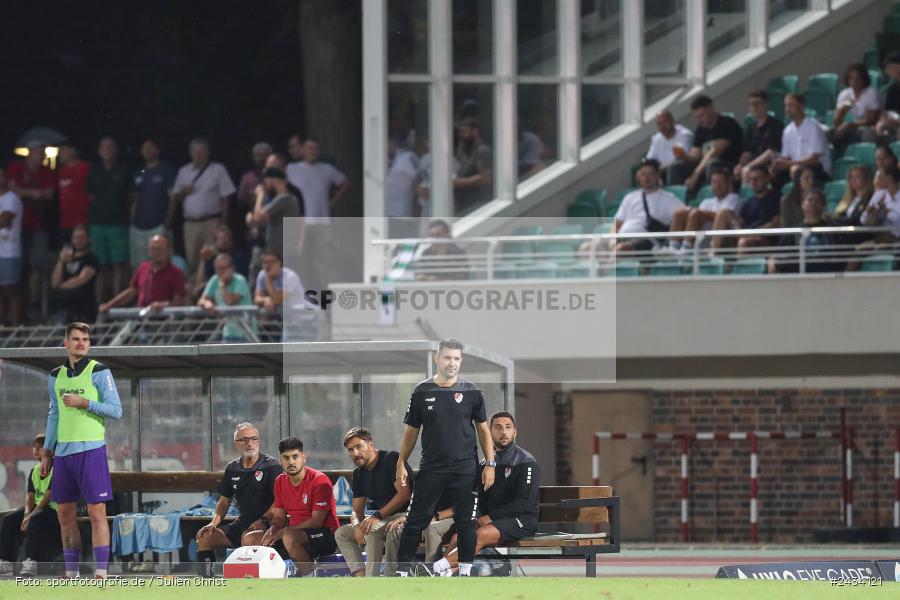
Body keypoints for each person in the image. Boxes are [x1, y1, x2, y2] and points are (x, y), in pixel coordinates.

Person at [395, 338, 496, 577]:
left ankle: (464, 572)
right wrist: (401, 462)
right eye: (448, 357)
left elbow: (483, 429)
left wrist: (490, 463)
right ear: (437, 359)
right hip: (431, 469)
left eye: (457, 358)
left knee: (465, 522)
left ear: (461, 361)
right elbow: (411, 432)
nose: (452, 363)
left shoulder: (472, 392)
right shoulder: (422, 391)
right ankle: (400, 572)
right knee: (414, 521)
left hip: (465, 469)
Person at [42, 322, 123, 578]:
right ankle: (72, 573)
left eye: (86, 339)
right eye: (76, 339)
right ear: (66, 342)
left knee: (96, 511)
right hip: (63, 455)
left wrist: (84, 402)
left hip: (92, 450)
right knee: (64, 515)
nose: (82, 343)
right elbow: (54, 414)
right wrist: (47, 452)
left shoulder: (99, 371)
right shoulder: (55, 376)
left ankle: (101, 571)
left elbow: (116, 410)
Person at [430, 412, 540, 576]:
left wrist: (492, 517)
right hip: (491, 520)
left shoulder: (526, 462)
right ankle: (444, 575)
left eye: (508, 427)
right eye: (498, 427)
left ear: (515, 432)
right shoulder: (485, 464)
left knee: (479, 535)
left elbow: (525, 503)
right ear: (489, 432)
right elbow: (477, 497)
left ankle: (435, 568)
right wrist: (479, 516)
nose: (503, 432)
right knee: (459, 536)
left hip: (521, 520)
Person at [195, 422, 282, 577]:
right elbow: (224, 501)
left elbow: (280, 501)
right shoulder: (232, 468)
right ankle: (206, 581)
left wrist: (263, 519)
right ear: (236, 443)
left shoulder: (271, 465)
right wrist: (213, 523)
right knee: (204, 538)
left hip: (267, 524)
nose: (249, 443)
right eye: (244, 439)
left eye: (253, 439)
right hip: (241, 524)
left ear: (258, 441)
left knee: (247, 539)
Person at [334, 427, 413, 577]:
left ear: (370, 445)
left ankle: (373, 580)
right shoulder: (358, 473)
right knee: (342, 533)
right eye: (351, 450)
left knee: (372, 528)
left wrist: (376, 516)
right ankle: (361, 577)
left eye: (359, 447)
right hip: (382, 517)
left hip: (406, 514)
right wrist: (356, 524)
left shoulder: (391, 459)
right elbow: (357, 510)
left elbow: (404, 495)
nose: (355, 453)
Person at [260, 437, 340, 576]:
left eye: (295, 457)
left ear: (303, 458)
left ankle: (308, 583)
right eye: (286, 458)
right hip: (293, 534)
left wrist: (284, 531)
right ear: (280, 460)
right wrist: (273, 529)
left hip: (325, 535)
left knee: (289, 537)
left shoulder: (320, 481)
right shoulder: (279, 481)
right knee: (252, 538)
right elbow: (279, 516)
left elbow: (317, 521)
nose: (290, 462)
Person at [286, 137, 349, 292]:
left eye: (315, 149)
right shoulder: (292, 169)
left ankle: (326, 294)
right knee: (303, 260)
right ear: (302, 150)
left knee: (325, 262)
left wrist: (333, 201)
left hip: (323, 223)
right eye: (309, 148)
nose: (312, 152)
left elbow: (345, 182)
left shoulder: (327, 169)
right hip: (301, 224)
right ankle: (306, 293)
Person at [586, 159, 683, 255]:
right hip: (622, 238)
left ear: (658, 175)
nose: (646, 178)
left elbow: (683, 216)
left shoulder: (669, 199)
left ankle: (606, 270)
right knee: (588, 247)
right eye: (643, 174)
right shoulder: (630, 197)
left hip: (647, 242)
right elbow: (617, 224)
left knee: (621, 249)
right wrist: (612, 239)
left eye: (650, 174)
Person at [7, 144, 56, 322]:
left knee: (36, 266)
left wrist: (26, 192)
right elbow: (13, 190)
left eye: (44, 153)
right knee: (19, 270)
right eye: (38, 152)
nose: (42, 156)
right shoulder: (16, 167)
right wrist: (34, 192)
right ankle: (16, 310)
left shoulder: (48, 171)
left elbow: (49, 194)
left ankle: (34, 304)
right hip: (17, 228)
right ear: (29, 153)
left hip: (38, 226)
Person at [0, 434, 61, 577]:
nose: (36, 449)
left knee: (35, 518)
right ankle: (6, 562)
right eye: (35, 446)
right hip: (37, 510)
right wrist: (27, 513)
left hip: (53, 509)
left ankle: (31, 560)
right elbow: (30, 495)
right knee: (8, 520)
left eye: (40, 447)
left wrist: (31, 516)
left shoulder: (57, 468)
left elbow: (48, 495)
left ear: (51, 451)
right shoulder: (35, 471)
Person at [173, 137, 236, 274]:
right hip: (190, 223)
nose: (198, 154)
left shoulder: (218, 169)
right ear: (191, 153)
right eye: (196, 151)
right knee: (192, 260)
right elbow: (175, 197)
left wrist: (223, 223)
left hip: (211, 222)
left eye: (202, 151)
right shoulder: (183, 171)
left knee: (210, 257)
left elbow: (226, 196)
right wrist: (184, 192)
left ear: (208, 153)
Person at [87, 136, 131, 300]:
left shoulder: (124, 170)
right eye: (104, 147)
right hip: (98, 223)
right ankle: (100, 305)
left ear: (116, 150)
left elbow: (130, 197)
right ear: (99, 151)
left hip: (118, 223)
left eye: (111, 146)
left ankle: (116, 304)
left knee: (118, 265)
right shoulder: (94, 170)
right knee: (99, 265)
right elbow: (90, 196)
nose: (107, 150)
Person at [668, 95, 744, 191]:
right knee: (676, 166)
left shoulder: (726, 124)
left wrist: (695, 175)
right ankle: (679, 197)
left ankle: (711, 195)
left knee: (712, 164)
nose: (699, 119)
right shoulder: (701, 129)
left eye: (702, 115)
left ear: (710, 109)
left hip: (728, 166)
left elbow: (713, 153)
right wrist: (684, 156)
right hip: (706, 167)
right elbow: (696, 154)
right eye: (697, 117)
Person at [99, 234, 186, 314]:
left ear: (168, 251)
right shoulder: (143, 267)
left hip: (163, 322)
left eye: (159, 249)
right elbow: (131, 292)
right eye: (153, 248)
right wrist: (109, 305)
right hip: (140, 319)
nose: (156, 252)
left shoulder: (176, 273)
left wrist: (163, 305)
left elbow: (179, 301)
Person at [669, 168, 742, 252]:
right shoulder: (706, 202)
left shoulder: (733, 198)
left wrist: (700, 213)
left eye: (721, 182)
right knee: (679, 213)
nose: (717, 185)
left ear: (728, 184)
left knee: (696, 213)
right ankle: (673, 247)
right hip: (703, 236)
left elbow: (724, 216)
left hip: (724, 239)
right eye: (714, 182)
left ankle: (686, 248)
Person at [768, 189, 838, 274]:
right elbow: (778, 253)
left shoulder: (833, 229)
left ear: (824, 205)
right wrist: (771, 261)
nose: (813, 204)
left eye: (817, 201)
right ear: (802, 204)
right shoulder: (793, 231)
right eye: (809, 200)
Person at [131, 138, 176, 269]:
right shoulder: (139, 172)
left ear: (158, 150)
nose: (148, 150)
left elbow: (173, 198)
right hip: (139, 226)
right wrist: (132, 221)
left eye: (151, 147)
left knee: (163, 263)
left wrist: (168, 222)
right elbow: (135, 199)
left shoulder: (166, 170)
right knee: (139, 266)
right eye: (145, 147)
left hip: (159, 224)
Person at [772, 94, 831, 188]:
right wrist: (778, 165)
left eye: (791, 105)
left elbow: (814, 159)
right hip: (795, 167)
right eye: (786, 105)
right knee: (773, 175)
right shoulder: (787, 131)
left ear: (801, 106)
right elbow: (785, 157)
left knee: (796, 170)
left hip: (817, 169)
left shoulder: (813, 127)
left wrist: (791, 164)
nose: (787, 109)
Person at [197, 253, 255, 342]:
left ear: (232, 268)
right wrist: (207, 303)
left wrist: (222, 285)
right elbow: (201, 300)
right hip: (228, 332)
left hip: (247, 332)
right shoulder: (214, 279)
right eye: (218, 268)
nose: (220, 272)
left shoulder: (240, 280)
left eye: (224, 268)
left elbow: (230, 301)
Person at [247, 167, 301, 257]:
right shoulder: (279, 199)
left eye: (265, 182)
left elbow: (258, 217)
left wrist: (260, 195)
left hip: (281, 253)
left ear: (272, 180)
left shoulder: (284, 198)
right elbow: (256, 220)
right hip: (276, 252)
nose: (265, 186)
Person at [51, 225, 99, 324]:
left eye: (82, 238)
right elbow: (54, 282)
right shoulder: (66, 258)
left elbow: (81, 279)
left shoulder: (91, 259)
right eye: (76, 238)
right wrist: (61, 261)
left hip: (84, 309)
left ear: (88, 239)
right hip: (64, 310)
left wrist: (60, 287)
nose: (79, 241)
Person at [730, 166, 783, 256]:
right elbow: (740, 222)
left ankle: (738, 269)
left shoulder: (777, 197)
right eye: (751, 179)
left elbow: (776, 222)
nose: (753, 182)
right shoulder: (748, 202)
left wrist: (753, 233)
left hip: (767, 240)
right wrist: (736, 225)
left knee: (744, 242)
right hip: (748, 236)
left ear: (767, 178)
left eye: (757, 178)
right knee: (724, 214)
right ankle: (714, 256)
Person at [734, 90, 784, 184]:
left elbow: (772, 152)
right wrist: (740, 165)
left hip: (770, 165)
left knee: (747, 171)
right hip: (755, 164)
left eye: (758, 103)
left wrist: (749, 166)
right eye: (751, 104)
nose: (754, 107)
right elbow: (747, 152)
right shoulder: (750, 128)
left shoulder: (775, 124)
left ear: (766, 105)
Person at [831, 63, 880, 149]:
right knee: (830, 133)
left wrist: (848, 125)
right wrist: (841, 111)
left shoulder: (871, 93)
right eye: (851, 78)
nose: (855, 81)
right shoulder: (844, 94)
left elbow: (871, 120)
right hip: (850, 128)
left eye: (858, 78)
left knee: (867, 133)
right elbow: (836, 122)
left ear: (864, 79)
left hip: (867, 128)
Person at [454, 119, 494, 213]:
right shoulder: (468, 153)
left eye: (464, 132)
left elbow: (485, 178)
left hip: (478, 205)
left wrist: (457, 182)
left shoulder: (483, 151)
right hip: (464, 205)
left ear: (475, 132)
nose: (461, 136)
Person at [0, 170, 23, 326]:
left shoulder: (11, 199)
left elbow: (4, 220)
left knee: (10, 290)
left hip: (9, 252)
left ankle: (16, 328)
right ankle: (3, 326)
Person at [645, 110, 694, 183]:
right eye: (659, 124)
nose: (662, 127)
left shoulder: (684, 135)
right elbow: (650, 160)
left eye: (665, 122)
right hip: (661, 172)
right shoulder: (656, 138)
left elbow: (680, 158)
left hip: (681, 172)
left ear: (672, 121)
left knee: (674, 168)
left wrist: (658, 170)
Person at [57, 143, 91, 243]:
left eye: (62, 150)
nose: (60, 154)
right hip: (65, 222)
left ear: (72, 151)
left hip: (82, 222)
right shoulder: (61, 171)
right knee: (66, 253)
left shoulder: (85, 167)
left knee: (81, 253)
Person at [876, 51, 900, 139]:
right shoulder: (893, 89)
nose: (886, 71)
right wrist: (881, 122)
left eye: (889, 67)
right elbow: (886, 111)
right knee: (869, 133)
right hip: (895, 126)